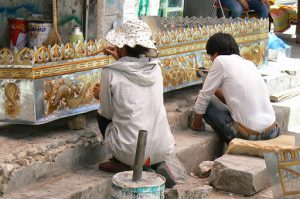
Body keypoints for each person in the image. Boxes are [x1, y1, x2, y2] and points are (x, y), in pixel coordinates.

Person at [93, 19, 176, 188]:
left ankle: (122, 161)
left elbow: (107, 112)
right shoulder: (156, 68)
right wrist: (120, 59)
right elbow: (134, 75)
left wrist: (102, 96)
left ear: (122, 47)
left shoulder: (109, 72)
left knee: (102, 116)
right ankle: (155, 162)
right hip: (163, 147)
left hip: (129, 151)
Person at [191, 33, 280, 144]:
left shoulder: (220, 61)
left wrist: (196, 125)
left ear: (216, 53)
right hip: (273, 131)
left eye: (211, 56)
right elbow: (234, 99)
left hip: (249, 136)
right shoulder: (249, 64)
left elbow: (204, 97)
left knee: (206, 103)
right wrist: (212, 85)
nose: (211, 60)